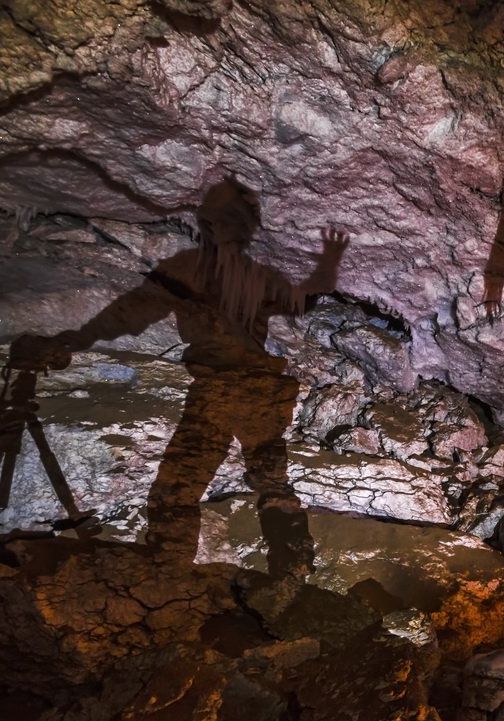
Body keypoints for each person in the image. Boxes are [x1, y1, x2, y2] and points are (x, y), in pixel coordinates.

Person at [22, 178, 349, 573]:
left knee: (178, 488)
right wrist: (329, 261)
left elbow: (127, 314)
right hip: (265, 391)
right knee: (271, 480)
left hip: (222, 389)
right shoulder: (260, 278)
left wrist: (72, 340)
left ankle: (167, 566)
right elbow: (306, 300)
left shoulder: (189, 270)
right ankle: (293, 568)